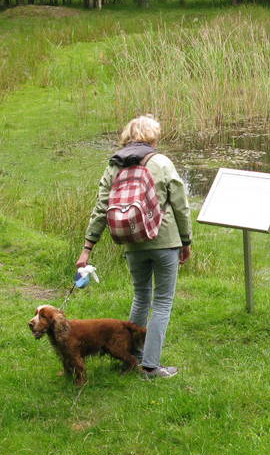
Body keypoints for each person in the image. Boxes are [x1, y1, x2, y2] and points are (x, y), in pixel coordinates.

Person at [77, 115, 193, 379]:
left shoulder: (114, 166)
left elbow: (101, 208)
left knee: (141, 297)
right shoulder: (161, 162)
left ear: (127, 136)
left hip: (131, 242)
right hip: (165, 241)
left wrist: (87, 248)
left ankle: (131, 357)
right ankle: (151, 366)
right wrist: (186, 241)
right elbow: (181, 205)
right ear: (153, 138)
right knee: (162, 302)